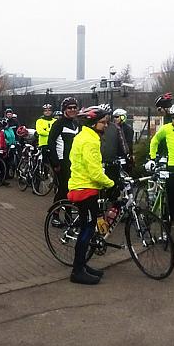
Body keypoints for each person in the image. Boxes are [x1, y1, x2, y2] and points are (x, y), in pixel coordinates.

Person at [67, 105, 114, 285]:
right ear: (93, 123)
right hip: (84, 189)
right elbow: (94, 172)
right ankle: (77, 271)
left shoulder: (85, 136)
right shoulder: (90, 141)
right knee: (86, 230)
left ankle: (83, 266)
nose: (106, 126)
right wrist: (111, 183)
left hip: (84, 186)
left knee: (88, 227)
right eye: (103, 122)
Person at [48, 97, 80, 206]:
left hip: (74, 162)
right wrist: (55, 163)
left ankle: (69, 214)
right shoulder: (58, 124)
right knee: (63, 189)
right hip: (62, 162)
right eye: (69, 108)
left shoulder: (76, 124)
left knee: (72, 188)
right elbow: (51, 143)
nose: (72, 110)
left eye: (74, 107)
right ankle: (55, 214)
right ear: (64, 109)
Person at [154, 92, 173, 158]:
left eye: (159, 109)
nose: (159, 112)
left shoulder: (171, 119)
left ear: (166, 108)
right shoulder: (167, 118)